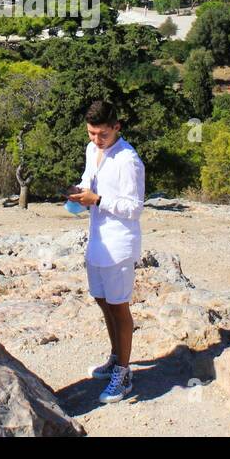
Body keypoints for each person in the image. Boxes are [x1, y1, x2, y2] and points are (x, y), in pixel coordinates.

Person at [66, 100, 145, 404]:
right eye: (91, 134)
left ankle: (124, 373)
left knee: (119, 305)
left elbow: (134, 208)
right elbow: (89, 178)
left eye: (102, 135)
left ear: (117, 128)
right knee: (102, 300)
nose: (96, 140)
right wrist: (79, 192)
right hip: (97, 237)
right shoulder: (91, 150)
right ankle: (115, 356)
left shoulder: (129, 160)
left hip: (120, 242)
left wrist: (98, 199)